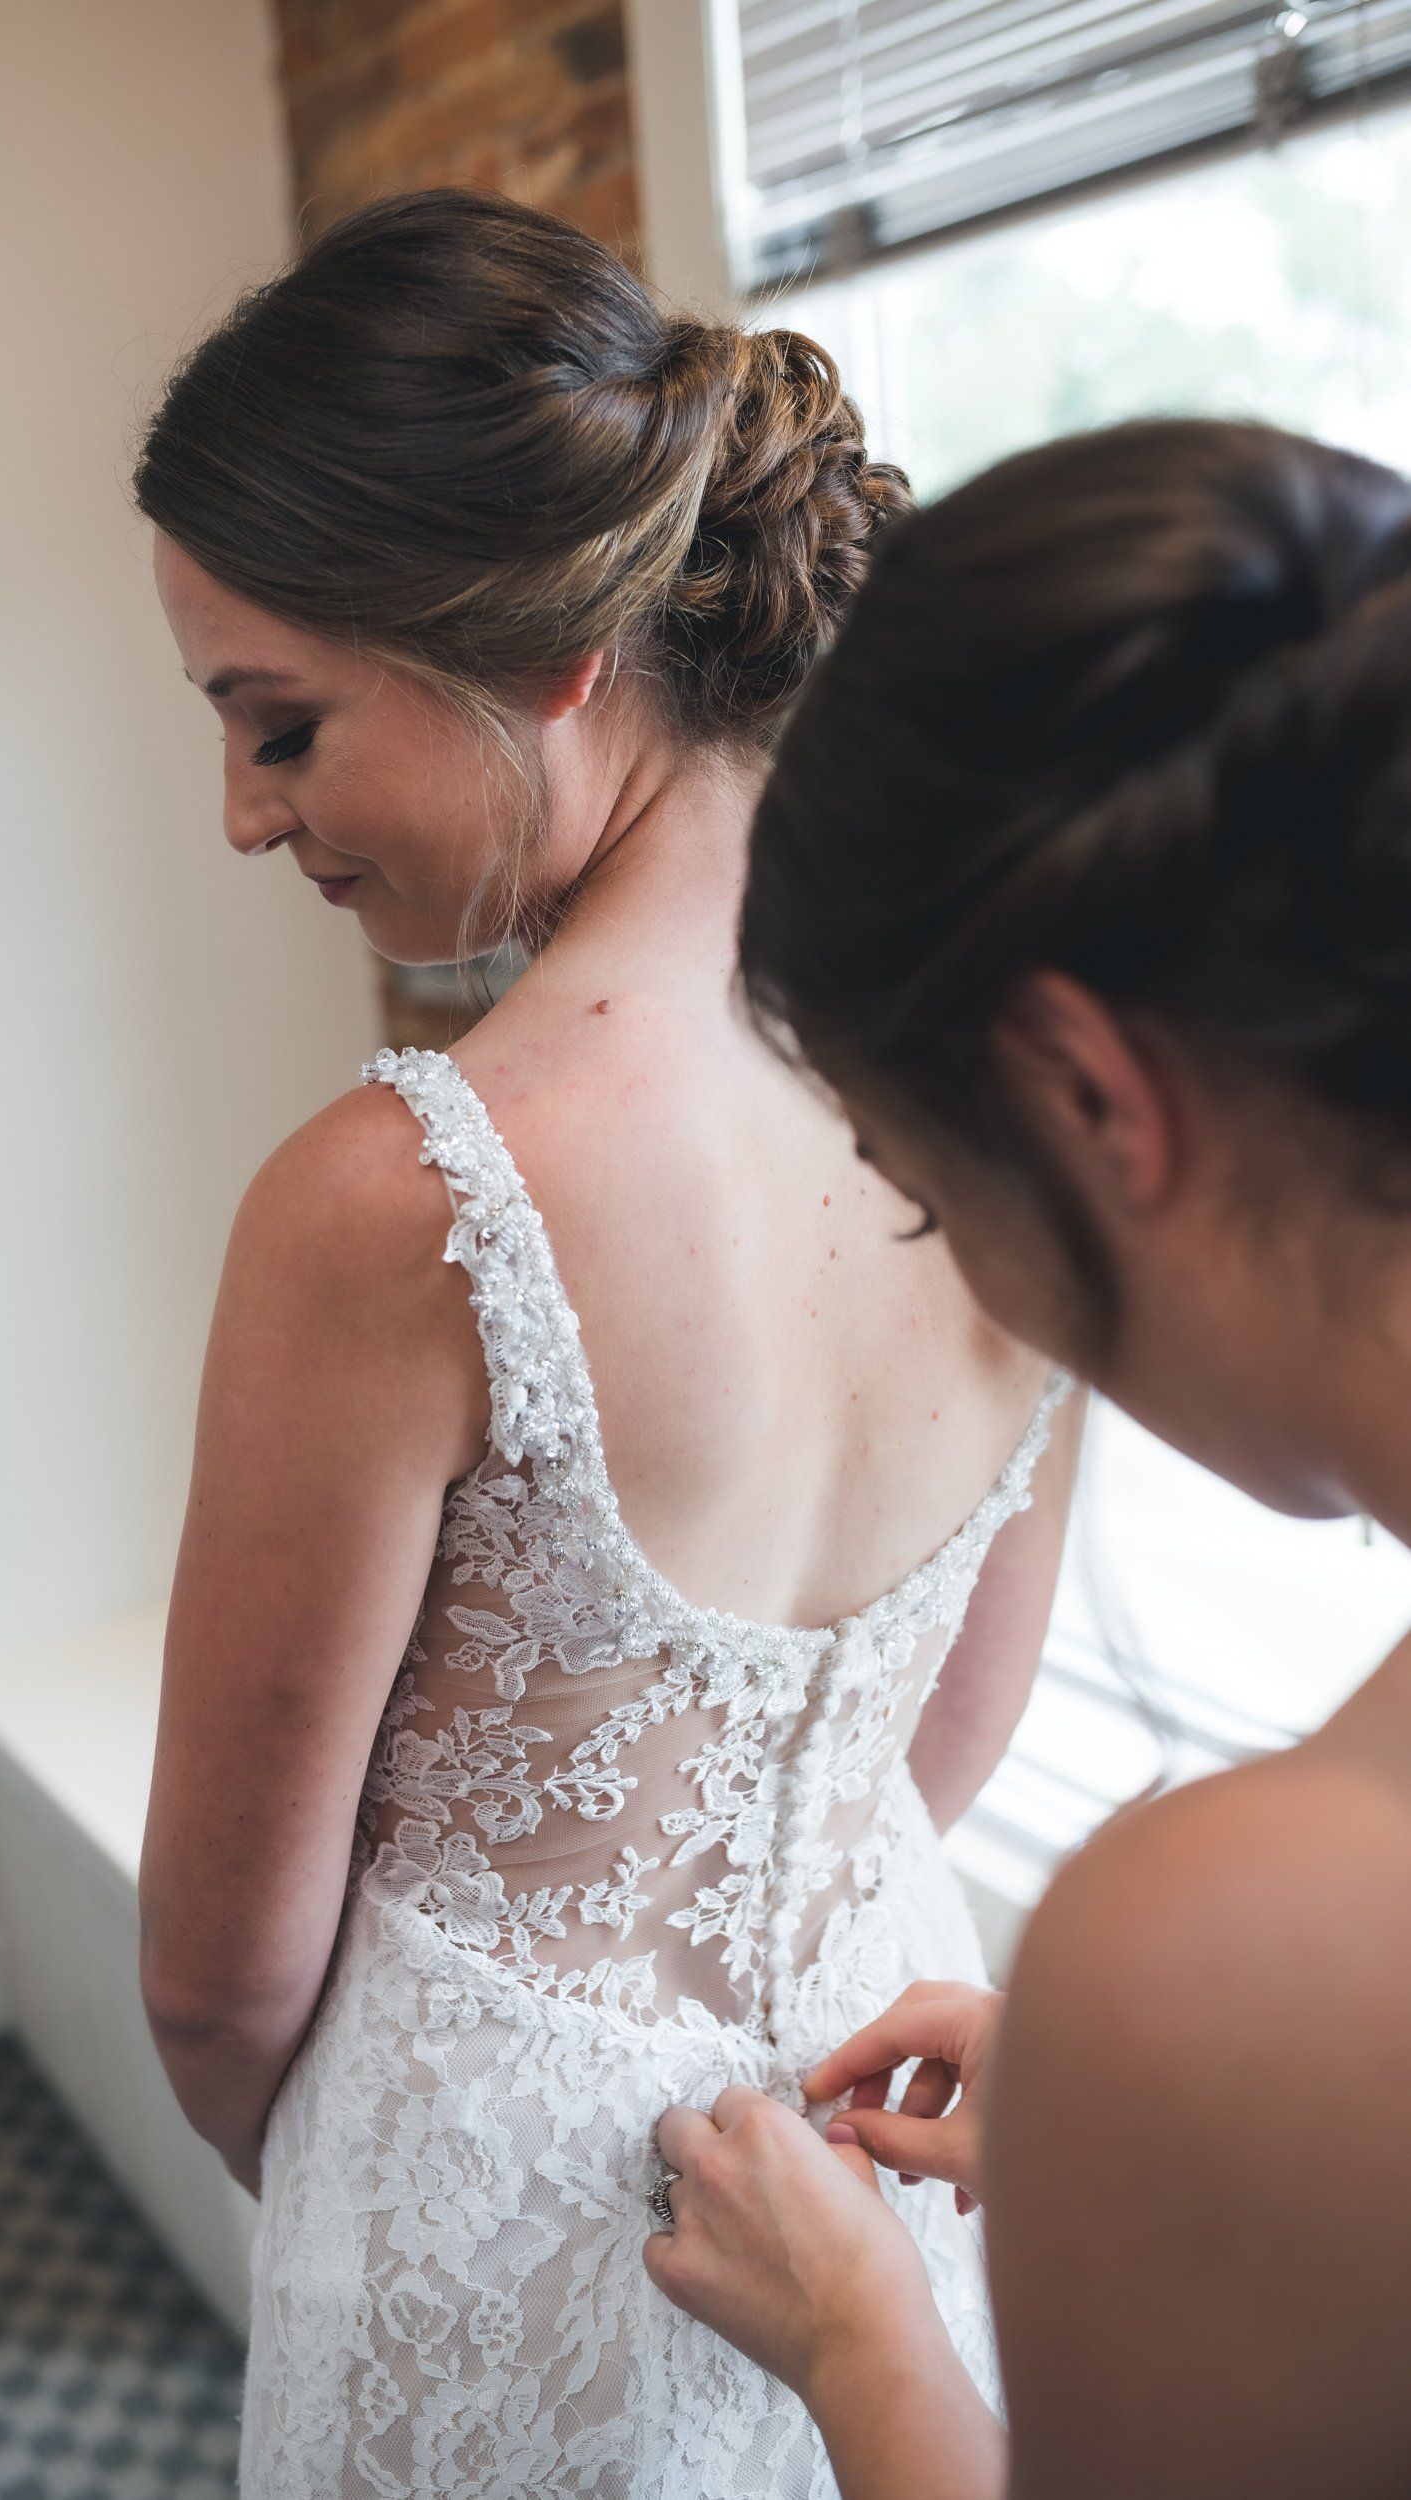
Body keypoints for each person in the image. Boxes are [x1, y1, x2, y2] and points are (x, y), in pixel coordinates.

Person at [129, 189, 1079, 2498]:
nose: (245, 813)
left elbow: (220, 1972)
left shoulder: (398, 1198)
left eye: (281, 723)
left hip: (492, 2231)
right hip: (878, 2126)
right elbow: (951, 1726)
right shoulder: (1018, 1076)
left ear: (553, 650)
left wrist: (402, 2168)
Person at [646, 416, 1411, 2500]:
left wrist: (868, 2343)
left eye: (909, 1180)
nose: (948, 1257)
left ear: (1089, 1086)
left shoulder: (1237, 1944)